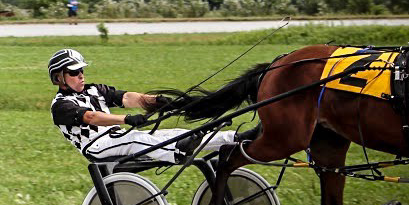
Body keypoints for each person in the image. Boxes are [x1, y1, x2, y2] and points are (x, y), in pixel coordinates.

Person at [47, 48, 256, 162]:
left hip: (117, 137)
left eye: (81, 70)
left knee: (175, 132)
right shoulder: (60, 106)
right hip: (96, 146)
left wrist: (158, 101)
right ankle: (176, 152)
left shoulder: (95, 90)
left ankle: (233, 139)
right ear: (59, 78)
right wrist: (126, 119)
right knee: (137, 138)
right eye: (74, 72)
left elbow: (128, 98)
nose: (81, 75)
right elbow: (91, 117)